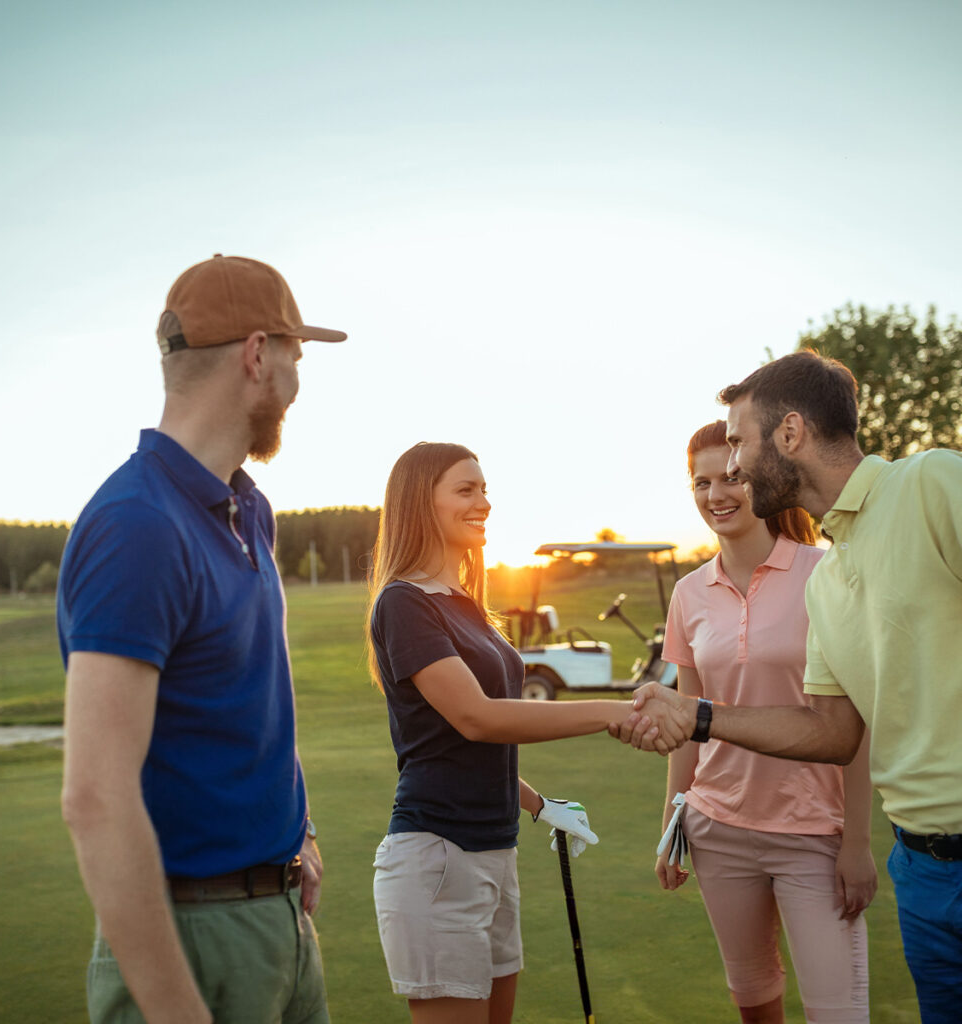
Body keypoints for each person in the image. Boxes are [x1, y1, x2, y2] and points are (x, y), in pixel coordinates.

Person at [621, 350, 962, 1024]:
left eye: (741, 443)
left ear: (790, 434)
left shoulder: (932, 482)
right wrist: (697, 716)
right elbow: (832, 733)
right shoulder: (832, 584)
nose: (735, 469)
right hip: (923, 868)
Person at [57, 254, 346, 1024]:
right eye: (294, 354)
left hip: (280, 919)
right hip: (189, 937)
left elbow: (245, 702)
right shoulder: (137, 526)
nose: (297, 377)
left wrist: (300, 833)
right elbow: (94, 796)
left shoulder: (249, 510)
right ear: (257, 355)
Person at [366, 441, 632, 1024]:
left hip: (494, 853)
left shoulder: (465, 604)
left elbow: (466, 746)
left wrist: (541, 805)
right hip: (439, 858)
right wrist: (614, 710)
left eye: (484, 488)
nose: (484, 501)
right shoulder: (404, 604)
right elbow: (477, 717)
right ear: (419, 502)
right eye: (466, 489)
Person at [657, 419, 874, 1024]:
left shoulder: (826, 574)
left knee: (838, 1012)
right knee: (753, 1001)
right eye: (700, 483)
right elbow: (686, 721)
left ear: (761, 476)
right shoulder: (689, 594)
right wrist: (672, 822)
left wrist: (856, 844)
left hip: (813, 835)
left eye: (730, 477)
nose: (715, 495)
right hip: (716, 829)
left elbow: (853, 727)